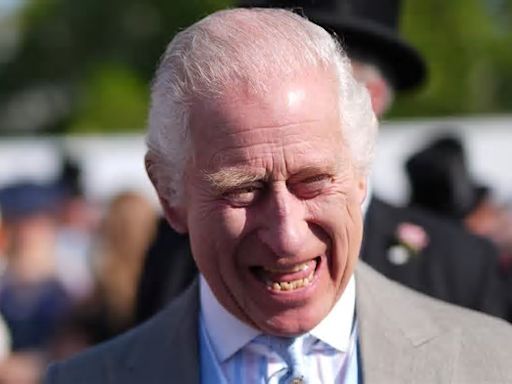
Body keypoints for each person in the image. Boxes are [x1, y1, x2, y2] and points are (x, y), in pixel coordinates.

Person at [44, 8, 512, 383]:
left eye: (313, 181)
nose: (287, 237)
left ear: (361, 171)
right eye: (243, 191)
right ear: (169, 194)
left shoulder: (491, 363)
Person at [134, 0, 507, 322]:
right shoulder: (183, 252)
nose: (288, 237)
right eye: (244, 189)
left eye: (313, 70)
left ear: (369, 99)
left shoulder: (458, 264)